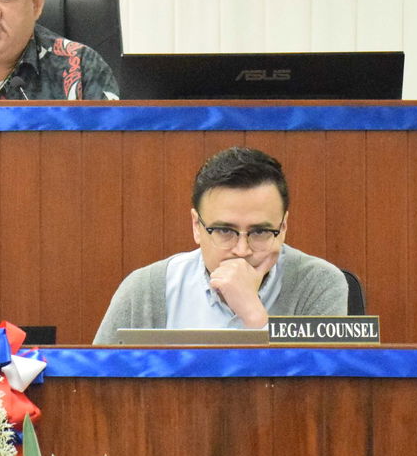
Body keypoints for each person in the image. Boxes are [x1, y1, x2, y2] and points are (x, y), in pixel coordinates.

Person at [94, 147, 347, 344]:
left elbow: (323, 399)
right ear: (196, 226)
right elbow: (100, 392)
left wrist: (255, 318)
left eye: (260, 231)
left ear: (282, 228)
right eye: (225, 231)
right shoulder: (147, 289)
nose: (242, 250)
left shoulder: (318, 284)